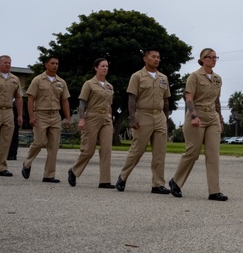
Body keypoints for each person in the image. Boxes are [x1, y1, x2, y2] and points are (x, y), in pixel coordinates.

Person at [170, 48, 227, 201]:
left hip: (212, 117)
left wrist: (220, 119)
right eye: (210, 57)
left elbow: (216, 100)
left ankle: (214, 191)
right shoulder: (194, 76)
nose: (213, 60)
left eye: (215, 57)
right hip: (197, 116)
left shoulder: (218, 79)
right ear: (202, 59)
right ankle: (176, 181)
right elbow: (189, 98)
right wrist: (193, 116)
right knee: (192, 153)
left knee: (213, 154)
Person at [116, 49, 171, 194]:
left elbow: (166, 100)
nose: (156, 59)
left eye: (158, 57)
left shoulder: (163, 78)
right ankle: (122, 177)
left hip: (159, 116)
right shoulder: (137, 76)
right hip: (143, 115)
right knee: (137, 150)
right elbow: (132, 99)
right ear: (145, 58)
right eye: (153, 57)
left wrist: (166, 118)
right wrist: (132, 117)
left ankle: (158, 184)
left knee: (160, 152)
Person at [68, 58, 116, 189]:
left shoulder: (109, 86)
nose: (105, 68)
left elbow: (109, 104)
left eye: (107, 66)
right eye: (102, 66)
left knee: (106, 149)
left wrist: (110, 118)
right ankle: (74, 170)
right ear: (96, 68)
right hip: (92, 117)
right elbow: (82, 103)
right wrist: (82, 119)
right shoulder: (89, 84)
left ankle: (105, 181)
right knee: (88, 150)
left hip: (106, 118)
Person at [22, 56, 71, 183]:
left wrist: (68, 118)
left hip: (55, 115)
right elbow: (31, 99)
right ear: (46, 65)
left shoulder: (61, 82)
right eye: (52, 63)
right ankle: (27, 162)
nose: (55, 65)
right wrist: (31, 116)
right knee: (39, 142)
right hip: (41, 114)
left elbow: (65, 101)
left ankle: (49, 175)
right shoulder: (38, 80)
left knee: (53, 146)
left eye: (57, 63)